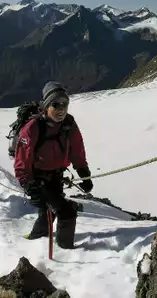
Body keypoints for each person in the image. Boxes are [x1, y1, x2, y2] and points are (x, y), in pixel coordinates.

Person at [14, 81, 93, 249]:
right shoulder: (33, 127)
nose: (61, 109)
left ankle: (35, 239)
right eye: (56, 105)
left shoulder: (69, 124)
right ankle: (65, 249)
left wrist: (83, 172)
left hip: (57, 175)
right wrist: (28, 184)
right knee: (66, 213)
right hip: (38, 179)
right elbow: (22, 159)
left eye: (65, 104)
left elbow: (76, 150)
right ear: (47, 105)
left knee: (48, 212)